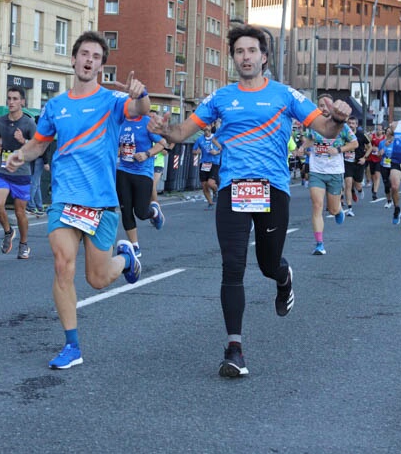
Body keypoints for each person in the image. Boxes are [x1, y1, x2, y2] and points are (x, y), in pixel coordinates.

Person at [150, 24, 351, 378]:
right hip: (233, 187)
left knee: (267, 263)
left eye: (252, 51)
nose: (246, 57)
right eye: (239, 52)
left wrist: (338, 115)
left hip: (272, 188)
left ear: (264, 57)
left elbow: (327, 130)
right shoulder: (221, 98)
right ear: (234, 58)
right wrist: (164, 128)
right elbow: (182, 133)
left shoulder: (285, 95)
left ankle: (283, 276)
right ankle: (234, 349)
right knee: (233, 267)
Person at [5, 31, 148, 370]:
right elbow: (40, 143)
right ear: (73, 59)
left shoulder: (112, 102)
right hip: (66, 200)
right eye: (84, 54)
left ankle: (127, 261)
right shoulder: (56, 106)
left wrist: (141, 96)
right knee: (61, 264)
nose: (88, 60)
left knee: (97, 279)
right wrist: (20, 156)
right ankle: (72, 346)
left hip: (100, 203)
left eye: (96, 57)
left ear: (101, 65)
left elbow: (138, 108)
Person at [298, 100, 358, 255]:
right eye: (320, 106)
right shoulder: (314, 126)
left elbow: (354, 143)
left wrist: (338, 149)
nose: (323, 109)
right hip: (317, 171)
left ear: (332, 109)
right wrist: (302, 147)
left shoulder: (342, 128)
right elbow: (310, 139)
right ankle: (319, 244)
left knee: (332, 209)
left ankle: (338, 211)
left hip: (335, 172)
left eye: (325, 106)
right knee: (317, 206)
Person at [115, 112, 168, 258]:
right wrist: (118, 150)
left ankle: (154, 212)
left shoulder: (147, 122)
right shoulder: (119, 122)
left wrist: (147, 154)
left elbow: (162, 144)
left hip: (143, 172)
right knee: (125, 210)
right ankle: (135, 246)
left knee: (141, 212)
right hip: (123, 170)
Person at [0, 86, 36, 259]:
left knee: (19, 213)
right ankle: (8, 231)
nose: (11, 102)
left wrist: (23, 140)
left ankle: (24, 244)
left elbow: (36, 146)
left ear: (22, 102)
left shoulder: (29, 123)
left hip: (21, 172)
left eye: (15, 99)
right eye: (9, 98)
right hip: (3, 169)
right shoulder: (1, 121)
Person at [341, 116, 369, 217]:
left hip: (358, 162)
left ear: (356, 125)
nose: (351, 125)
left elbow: (369, 147)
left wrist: (364, 158)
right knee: (348, 184)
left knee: (358, 184)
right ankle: (349, 208)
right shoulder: (343, 134)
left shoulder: (361, 135)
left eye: (353, 123)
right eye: (349, 123)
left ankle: (360, 190)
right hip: (347, 162)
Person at [193, 124, 222, 209]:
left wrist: (216, 153)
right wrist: (196, 152)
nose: (206, 127)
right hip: (204, 163)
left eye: (207, 125)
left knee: (210, 183)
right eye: (204, 126)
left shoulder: (216, 138)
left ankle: (216, 191)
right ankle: (210, 203)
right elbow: (194, 150)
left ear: (210, 127)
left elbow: (223, 149)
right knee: (204, 185)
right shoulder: (200, 139)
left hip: (214, 163)